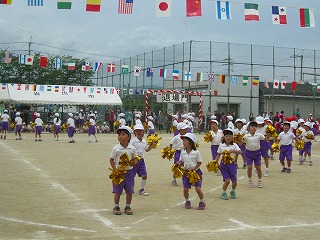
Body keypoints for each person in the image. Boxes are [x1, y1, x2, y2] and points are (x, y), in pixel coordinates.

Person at [110, 126, 137, 215]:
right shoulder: (116, 148)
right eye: (119, 135)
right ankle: (116, 206)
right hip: (119, 173)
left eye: (123, 135)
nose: (120, 136)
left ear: (129, 137)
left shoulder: (132, 148)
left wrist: (133, 162)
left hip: (129, 172)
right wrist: (115, 170)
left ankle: (127, 206)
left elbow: (135, 159)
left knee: (129, 191)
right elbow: (111, 160)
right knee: (118, 191)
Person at [176, 133, 206, 210]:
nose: (183, 142)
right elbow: (181, 161)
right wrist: (179, 163)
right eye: (183, 140)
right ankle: (187, 201)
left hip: (195, 173)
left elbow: (199, 162)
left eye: (185, 140)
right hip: (186, 173)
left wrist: (194, 168)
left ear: (190, 142)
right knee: (185, 189)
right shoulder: (183, 152)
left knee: (198, 189)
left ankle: (202, 201)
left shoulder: (196, 152)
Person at [131, 124, 157, 196]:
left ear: (143, 132)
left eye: (140, 131)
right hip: (133, 160)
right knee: (130, 176)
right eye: (137, 131)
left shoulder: (144, 141)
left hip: (141, 161)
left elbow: (147, 149)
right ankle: (128, 188)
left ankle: (141, 189)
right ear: (135, 132)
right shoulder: (133, 141)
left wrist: (152, 145)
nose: (139, 132)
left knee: (144, 175)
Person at [215, 129, 241, 200]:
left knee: (234, 181)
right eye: (226, 136)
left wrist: (233, 150)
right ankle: (223, 192)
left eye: (230, 136)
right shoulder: (221, 145)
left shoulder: (234, 145)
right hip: (223, 165)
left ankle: (233, 191)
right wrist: (215, 161)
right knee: (227, 180)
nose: (228, 138)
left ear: (232, 137)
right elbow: (218, 154)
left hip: (232, 165)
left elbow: (240, 152)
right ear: (224, 137)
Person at [241, 121, 269, 188]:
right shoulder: (246, 136)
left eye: (255, 127)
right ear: (249, 128)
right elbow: (241, 143)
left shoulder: (259, 135)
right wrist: (239, 139)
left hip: (257, 153)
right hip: (249, 153)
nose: (254, 128)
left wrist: (268, 136)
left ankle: (259, 180)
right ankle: (250, 180)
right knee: (249, 167)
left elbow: (266, 140)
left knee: (258, 168)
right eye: (252, 126)